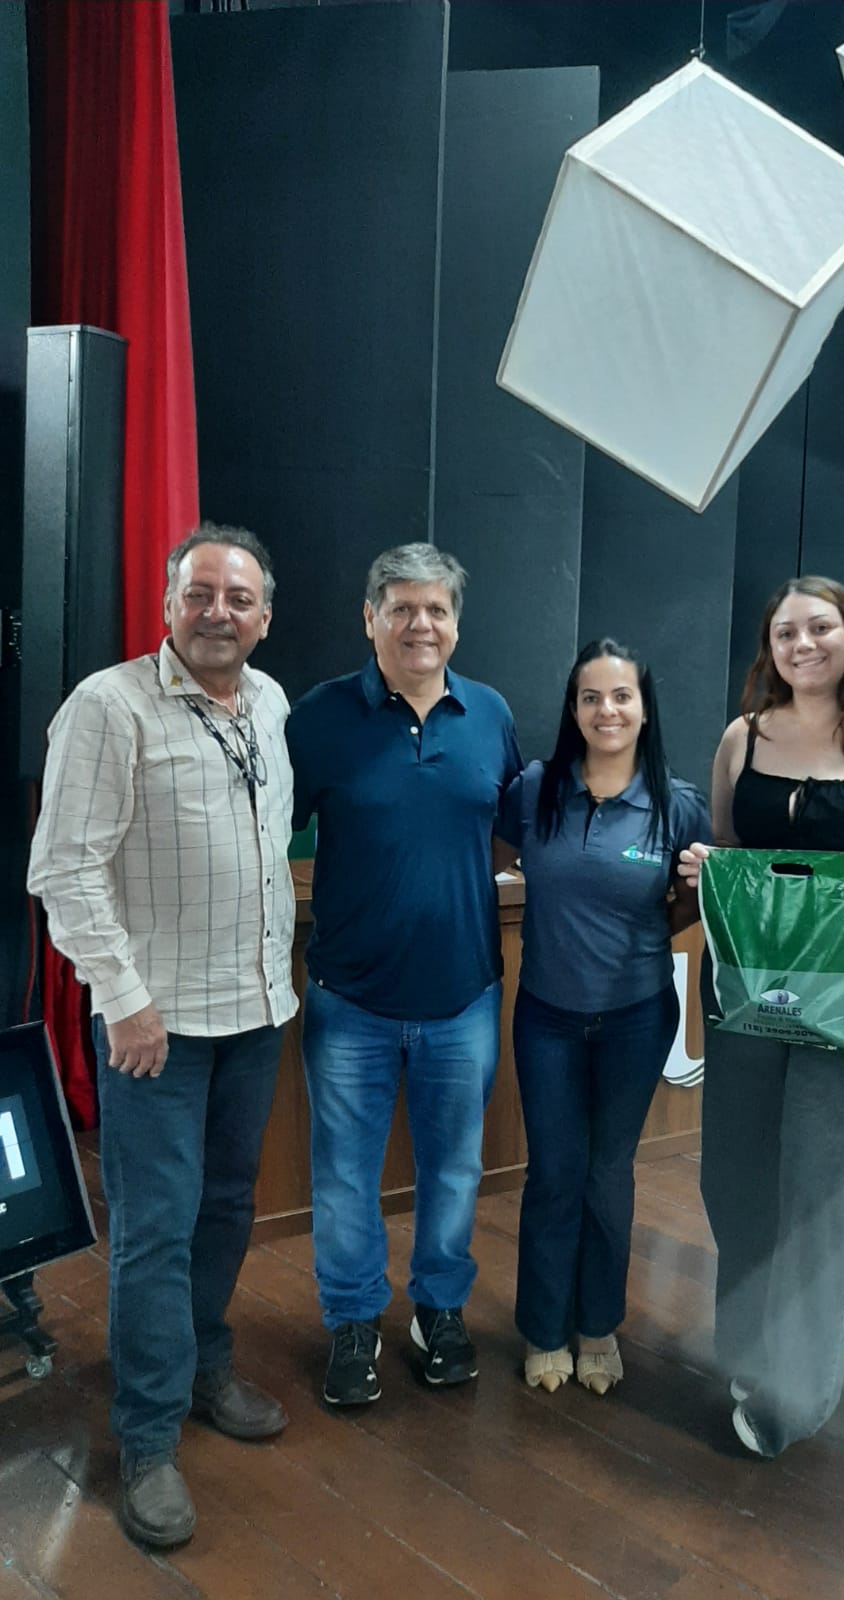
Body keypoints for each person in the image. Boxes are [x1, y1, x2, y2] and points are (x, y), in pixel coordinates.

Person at [27, 525, 295, 1549]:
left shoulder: (270, 702)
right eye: (202, 593)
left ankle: (203, 1367)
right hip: (158, 1030)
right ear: (170, 602)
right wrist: (124, 998)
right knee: (155, 1229)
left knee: (226, 1207)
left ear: (264, 615)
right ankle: (146, 1438)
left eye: (240, 597)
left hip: (255, 1013)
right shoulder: (108, 706)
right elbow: (64, 868)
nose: (220, 611)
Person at [679, 577, 844, 1459]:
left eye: (820, 627)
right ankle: (750, 1349)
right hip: (749, 983)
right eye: (786, 632)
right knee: (735, 1174)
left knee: (817, 1187)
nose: (803, 644)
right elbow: (730, 850)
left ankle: (798, 1386)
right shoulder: (742, 738)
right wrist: (705, 865)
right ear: (770, 648)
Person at [286, 543, 521, 1406]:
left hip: (463, 996)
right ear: (370, 618)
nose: (421, 624)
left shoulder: (490, 713)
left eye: (437, 609)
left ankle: (438, 1313)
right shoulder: (320, 717)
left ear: (456, 622)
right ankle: (352, 1321)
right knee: (344, 1176)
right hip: (348, 999)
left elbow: (504, 830)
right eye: (402, 608)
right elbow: (269, 831)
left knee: (454, 1171)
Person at [496, 639, 710, 1395]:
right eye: (591, 697)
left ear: (645, 709)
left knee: (607, 1173)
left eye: (622, 696)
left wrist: (691, 892)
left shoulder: (678, 803)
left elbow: (690, 905)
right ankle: (543, 1328)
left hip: (636, 1018)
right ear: (573, 708)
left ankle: (597, 1327)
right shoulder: (534, 789)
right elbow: (495, 857)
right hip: (547, 1018)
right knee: (554, 1172)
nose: (606, 710)